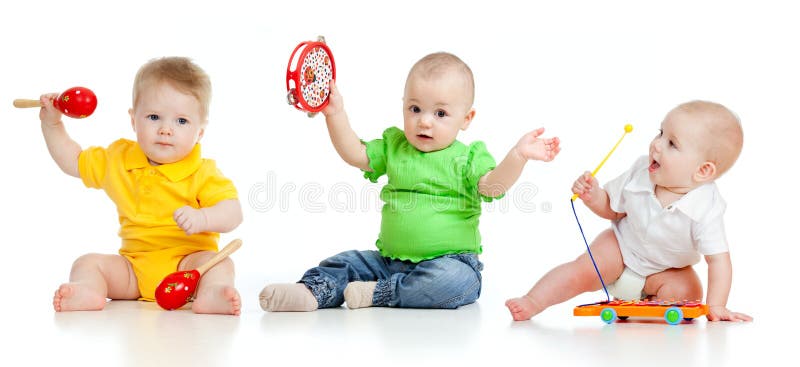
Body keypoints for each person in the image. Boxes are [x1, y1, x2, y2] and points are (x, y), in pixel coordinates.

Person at [260, 52, 560, 311]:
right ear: (403, 105)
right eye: (415, 109)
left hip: (450, 262)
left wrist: (518, 155)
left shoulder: (468, 158)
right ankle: (312, 292)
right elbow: (355, 153)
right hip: (388, 261)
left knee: (455, 282)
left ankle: (379, 293)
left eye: (440, 113)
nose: (424, 121)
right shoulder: (395, 146)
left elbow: (493, 186)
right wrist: (335, 114)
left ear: (466, 119)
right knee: (345, 262)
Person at [506, 100, 752, 322]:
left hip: (666, 272)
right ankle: (534, 301)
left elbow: (718, 260)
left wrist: (717, 305)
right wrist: (593, 196)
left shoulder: (705, 208)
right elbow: (611, 209)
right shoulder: (641, 172)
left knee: (689, 292)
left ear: (703, 171)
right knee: (581, 271)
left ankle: (642, 312)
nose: (656, 144)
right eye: (660, 133)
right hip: (620, 250)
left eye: (671, 143)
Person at [44, 57, 243, 315]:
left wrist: (203, 218)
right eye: (154, 117)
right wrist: (52, 125)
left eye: (181, 121)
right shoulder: (118, 159)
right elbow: (73, 161)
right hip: (133, 269)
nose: (165, 129)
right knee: (86, 263)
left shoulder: (202, 172)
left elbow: (233, 212)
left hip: (188, 268)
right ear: (133, 120)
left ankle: (210, 294)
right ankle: (89, 290)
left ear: (200, 132)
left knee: (220, 265)